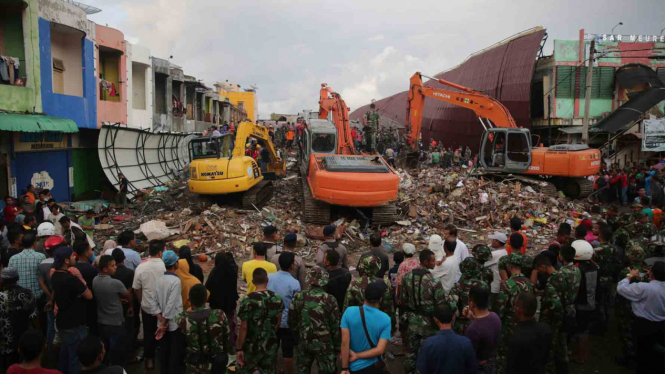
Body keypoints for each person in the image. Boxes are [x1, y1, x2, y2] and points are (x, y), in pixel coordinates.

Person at [400, 250, 446, 374]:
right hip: (429, 323)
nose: (434, 263)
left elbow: (402, 300)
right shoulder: (434, 281)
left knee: (411, 351)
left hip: (412, 320)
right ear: (426, 262)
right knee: (427, 352)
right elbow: (440, 304)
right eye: (432, 260)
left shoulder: (407, 277)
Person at [288, 267, 341, 374]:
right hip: (324, 344)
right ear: (324, 282)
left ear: (309, 280)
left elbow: (291, 319)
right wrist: (337, 346)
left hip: (304, 340)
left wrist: (297, 336)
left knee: (302, 370)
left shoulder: (299, 296)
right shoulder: (329, 299)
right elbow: (335, 325)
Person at [617, 261, 665, 372]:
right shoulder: (649, 287)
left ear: (652, 274)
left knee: (642, 354)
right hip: (661, 325)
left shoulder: (644, 288)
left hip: (643, 326)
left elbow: (621, 288)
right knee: (656, 355)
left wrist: (630, 275)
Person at [51, 247, 93, 374]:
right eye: (72, 256)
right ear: (66, 261)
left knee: (66, 351)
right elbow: (89, 295)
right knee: (76, 356)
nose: (75, 257)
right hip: (74, 323)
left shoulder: (55, 276)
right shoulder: (72, 279)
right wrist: (79, 278)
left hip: (62, 322)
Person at [176, 284, 232, 373]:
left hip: (195, 364)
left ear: (189, 301)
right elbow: (227, 336)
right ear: (206, 299)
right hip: (216, 363)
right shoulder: (219, 314)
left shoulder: (183, 319)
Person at [236, 268, 283, 374]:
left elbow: (243, 327)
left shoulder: (247, 300)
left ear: (252, 281)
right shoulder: (277, 298)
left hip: (252, 344)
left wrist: (239, 348)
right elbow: (278, 321)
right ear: (267, 280)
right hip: (270, 343)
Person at [340, 281, 391, 374]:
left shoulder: (349, 312)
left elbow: (344, 342)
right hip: (373, 366)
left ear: (364, 295)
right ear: (380, 299)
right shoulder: (386, 319)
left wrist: (344, 368)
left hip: (353, 366)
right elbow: (380, 350)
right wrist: (358, 355)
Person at [495, 253, 534, 372]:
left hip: (509, 324)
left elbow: (500, 307)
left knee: (505, 353)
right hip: (526, 323)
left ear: (509, 266)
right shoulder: (528, 282)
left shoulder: (507, 284)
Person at [131, 240, 166, 370]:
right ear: (160, 252)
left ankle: (150, 359)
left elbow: (136, 288)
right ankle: (163, 359)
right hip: (163, 308)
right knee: (164, 331)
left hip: (148, 308)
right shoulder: (164, 266)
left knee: (148, 332)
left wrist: (141, 302)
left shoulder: (141, 267)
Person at [416, 304, 477, 374]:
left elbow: (422, 369)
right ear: (453, 318)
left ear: (436, 320)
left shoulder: (427, 344)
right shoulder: (466, 343)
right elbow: (472, 368)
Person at [92, 256, 130, 366]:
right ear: (104, 269)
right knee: (117, 350)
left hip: (102, 321)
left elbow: (106, 296)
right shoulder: (115, 283)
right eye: (112, 266)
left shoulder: (95, 280)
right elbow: (128, 295)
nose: (115, 268)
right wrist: (130, 306)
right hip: (115, 322)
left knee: (105, 348)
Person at [267, 252, 301, 374]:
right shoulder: (294, 283)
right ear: (292, 265)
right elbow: (296, 304)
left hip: (271, 319)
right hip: (286, 322)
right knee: (288, 352)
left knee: (271, 350)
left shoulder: (269, 277)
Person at [0, 268, 39, 373]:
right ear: (17, 278)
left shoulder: (1, 296)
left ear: (2, 279)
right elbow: (34, 316)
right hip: (23, 339)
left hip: (5, 341)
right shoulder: (27, 293)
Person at [508, 292, 552, 374]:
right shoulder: (546, 329)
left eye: (515, 305)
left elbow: (512, 367)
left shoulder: (516, 337)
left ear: (518, 309)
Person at [155, 250, 184, 374]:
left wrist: (161, 320)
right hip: (172, 323)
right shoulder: (176, 281)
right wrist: (164, 322)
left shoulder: (159, 279)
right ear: (175, 264)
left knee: (164, 351)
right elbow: (171, 304)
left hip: (162, 321)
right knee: (174, 352)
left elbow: (154, 301)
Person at [570, 240, 598, 364]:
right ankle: (580, 353)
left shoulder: (578, 270)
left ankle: (581, 356)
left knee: (581, 331)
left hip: (581, 304)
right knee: (584, 330)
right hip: (592, 302)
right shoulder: (595, 267)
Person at [343, 255, 393, 322]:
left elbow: (347, 306)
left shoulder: (353, 284)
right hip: (378, 322)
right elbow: (388, 308)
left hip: (359, 322)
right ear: (377, 267)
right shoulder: (383, 283)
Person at [464, 286, 501, 373]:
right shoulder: (495, 317)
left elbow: (469, 356)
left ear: (472, 304)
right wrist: (472, 319)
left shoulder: (473, 329)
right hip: (493, 364)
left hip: (479, 368)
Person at [448, 257, 489, 335]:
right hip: (482, 320)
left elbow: (452, 306)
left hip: (462, 324)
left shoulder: (458, 286)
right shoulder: (483, 285)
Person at [205, 252, 239, 346]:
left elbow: (207, 288)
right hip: (230, 305)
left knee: (217, 327)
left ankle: (218, 344)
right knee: (231, 325)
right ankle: (232, 345)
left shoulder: (214, 273)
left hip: (216, 306)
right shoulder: (232, 271)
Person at [110, 249, 137, 365]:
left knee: (118, 331)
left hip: (115, 305)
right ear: (124, 258)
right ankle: (130, 355)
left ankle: (118, 357)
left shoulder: (111, 274)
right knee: (130, 329)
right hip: (128, 305)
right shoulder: (130, 272)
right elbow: (132, 289)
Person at [7, 231, 46, 305]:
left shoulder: (13, 258)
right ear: (34, 243)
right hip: (37, 297)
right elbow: (43, 277)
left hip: (19, 297)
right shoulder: (41, 257)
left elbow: (10, 278)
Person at [73, 241, 99, 337]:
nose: (92, 252)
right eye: (90, 250)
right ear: (85, 253)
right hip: (91, 304)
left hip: (77, 304)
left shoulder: (72, 268)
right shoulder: (92, 270)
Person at [485, 232, 508, 305]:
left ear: (498, 242)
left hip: (493, 286)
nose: (492, 241)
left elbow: (483, 262)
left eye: (493, 240)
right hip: (498, 285)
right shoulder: (504, 251)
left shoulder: (495, 254)